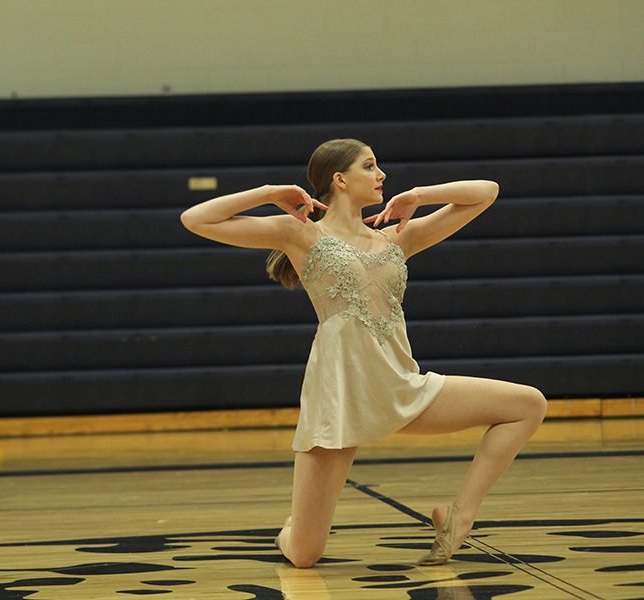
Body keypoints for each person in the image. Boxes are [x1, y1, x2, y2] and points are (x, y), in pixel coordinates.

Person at [180, 138, 547, 568]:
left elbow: (487, 191)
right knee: (303, 554)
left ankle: (457, 518)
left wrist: (419, 196)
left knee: (527, 405)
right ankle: (294, 526)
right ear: (339, 179)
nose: (382, 175)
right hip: (338, 398)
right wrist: (269, 193)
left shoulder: (397, 238)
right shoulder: (299, 233)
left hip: (401, 387)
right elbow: (195, 219)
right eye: (370, 166)